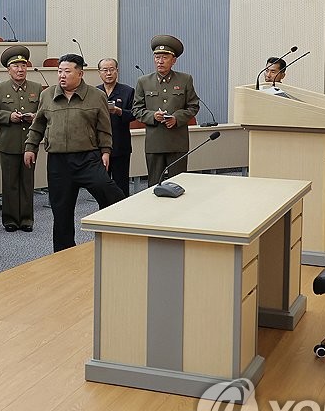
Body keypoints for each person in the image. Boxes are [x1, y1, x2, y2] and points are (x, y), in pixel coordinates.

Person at [24, 54, 123, 251]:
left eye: (67, 71)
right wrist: (30, 147)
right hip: (58, 162)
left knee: (112, 196)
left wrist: (105, 151)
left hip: (88, 159)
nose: (62, 75)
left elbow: (104, 127)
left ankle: (113, 242)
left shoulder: (96, 96)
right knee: (61, 211)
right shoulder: (47, 95)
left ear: (80, 73)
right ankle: (64, 252)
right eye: (60, 71)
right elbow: (38, 125)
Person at [0, 45, 42, 231]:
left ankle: (27, 219)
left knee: (27, 182)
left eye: (23, 65)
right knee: (10, 183)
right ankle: (10, 219)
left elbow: (43, 113)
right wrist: (9, 117)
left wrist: (34, 117)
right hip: (9, 142)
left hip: (30, 143)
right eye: (16, 66)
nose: (20, 69)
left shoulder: (36, 88)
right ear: (8, 69)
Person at [132, 35, 200, 184]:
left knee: (179, 183)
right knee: (154, 184)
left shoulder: (185, 79)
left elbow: (193, 106)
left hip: (177, 141)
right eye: (157, 57)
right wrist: (152, 116)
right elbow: (136, 109)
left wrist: (177, 118)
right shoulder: (143, 81)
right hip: (154, 142)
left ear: (173, 60)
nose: (160, 61)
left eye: (164, 57)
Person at [97, 57, 136, 198]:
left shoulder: (128, 91)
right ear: (99, 73)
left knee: (121, 185)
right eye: (105, 70)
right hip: (100, 147)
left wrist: (119, 112)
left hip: (121, 145)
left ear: (117, 71)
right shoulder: (94, 92)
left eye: (112, 70)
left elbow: (134, 114)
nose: (108, 73)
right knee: (102, 184)